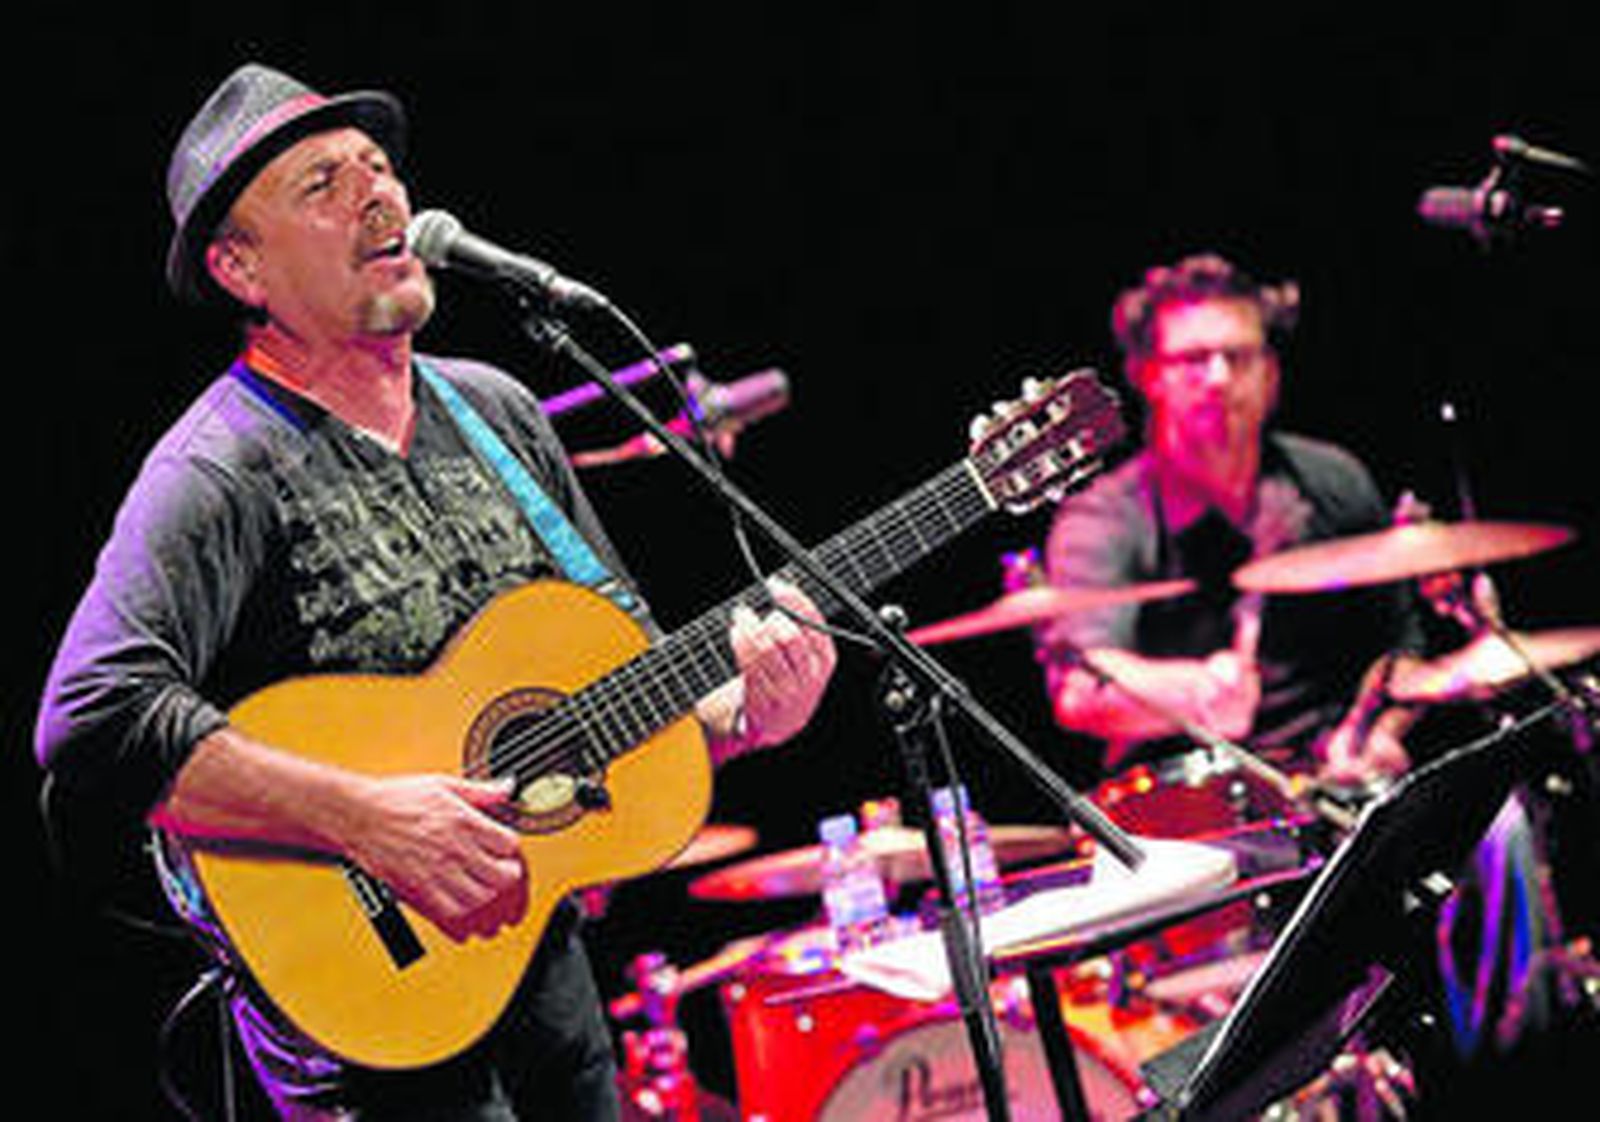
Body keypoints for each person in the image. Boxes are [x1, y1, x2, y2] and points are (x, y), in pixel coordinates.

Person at [34, 63, 836, 1122]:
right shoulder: (218, 469)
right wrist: (368, 820)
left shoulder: (497, 415)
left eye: (379, 168)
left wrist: (745, 716)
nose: (379, 195)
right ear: (239, 269)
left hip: (544, 989)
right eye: (321, 183)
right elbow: (93, 718)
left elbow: (626, 696)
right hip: (370, 1037)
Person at [1035, 252, 1423, 791]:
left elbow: (1399, 641)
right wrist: (1198, 690)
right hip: (1182, 803)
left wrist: (1379, 732)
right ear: (1147, 375)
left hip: (1333, 773)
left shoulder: (1334, 480)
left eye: (1238, 356)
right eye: (1193, 358)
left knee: (1501, 824)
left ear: (1270, 370)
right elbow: (1081, 694)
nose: (1218, 378)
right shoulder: (1103, 520)